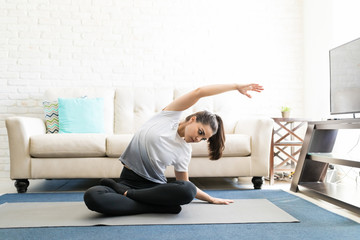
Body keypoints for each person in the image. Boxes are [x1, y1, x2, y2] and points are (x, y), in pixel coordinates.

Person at [84, 83, 264, 216]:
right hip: (127, 181)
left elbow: (185, 185)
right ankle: (156, 207)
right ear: (193, 118)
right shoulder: (168, 116)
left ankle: (129, 196)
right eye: (200, 132)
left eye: (203, 138)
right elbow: (199, 92)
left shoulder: (185, 150)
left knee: (187, 190)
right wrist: (235, 87)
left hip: (153, 189)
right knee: (92, 196)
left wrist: (210, 198)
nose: (198, 138)